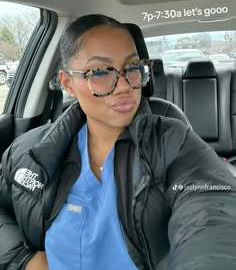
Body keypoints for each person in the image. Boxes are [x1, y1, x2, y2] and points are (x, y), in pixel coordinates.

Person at [0, 14, 236, 270]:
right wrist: (23, 260)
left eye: (133, 68)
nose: (124, 85)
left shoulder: (174, 143)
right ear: (67, 82)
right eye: (100, 71)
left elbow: (212, 215)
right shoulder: (29, 152)